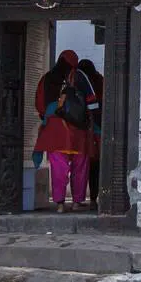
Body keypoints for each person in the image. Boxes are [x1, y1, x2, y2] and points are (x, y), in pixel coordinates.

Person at [33, 50, 98, 212]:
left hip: (55, 130)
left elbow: (40, 105)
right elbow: (92, 102)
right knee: (80, 167)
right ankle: (77, 202)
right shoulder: (79, 76)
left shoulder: (47, 78)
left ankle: (60, 203)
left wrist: (50, 115)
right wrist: (92, 122)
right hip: (78, 130)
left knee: (58, 168)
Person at [76, 58, 105, 206]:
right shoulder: (101, 81)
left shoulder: (79, 82)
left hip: (86, 129)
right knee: (97, 166)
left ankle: (84, 198)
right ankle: (95, 197)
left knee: (82, 165)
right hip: (100, 128)